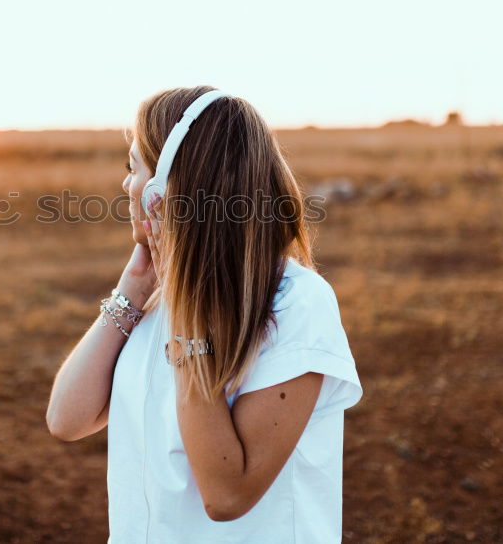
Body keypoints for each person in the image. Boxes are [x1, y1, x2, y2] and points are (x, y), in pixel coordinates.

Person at [46, 86, 364, 543]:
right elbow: (66, 420)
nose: (124, 184)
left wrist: (184, 314)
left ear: (164, 191)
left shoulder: (297, 304)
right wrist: (131, 293)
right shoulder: (152, 296)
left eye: (133, 167)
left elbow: (227, 495)